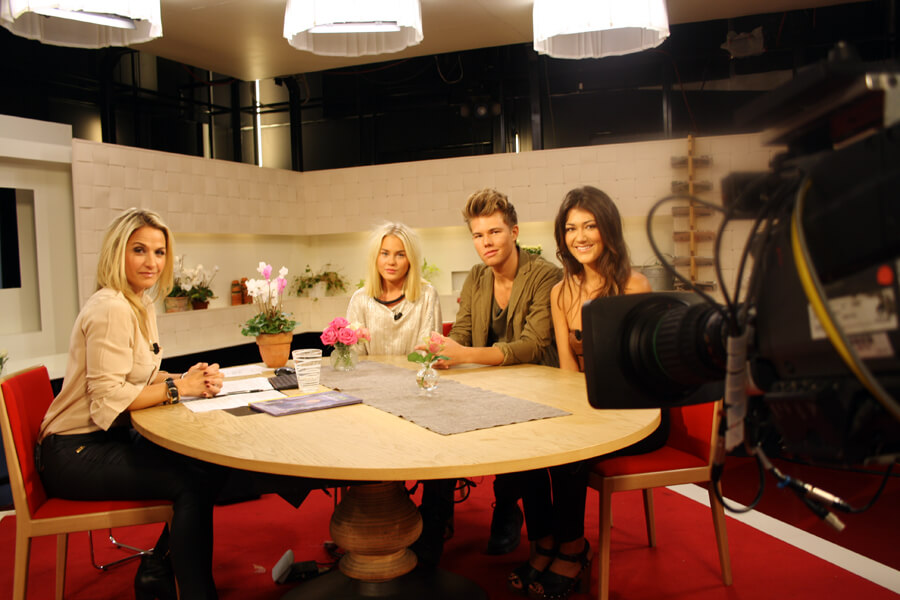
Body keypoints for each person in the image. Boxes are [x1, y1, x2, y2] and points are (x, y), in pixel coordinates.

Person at [37, 208, 229, 600]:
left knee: (206, 466)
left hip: (104, 439)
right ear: (117, 252)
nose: (152, 262)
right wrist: (180, 389)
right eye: (139, 250)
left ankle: (158, 571)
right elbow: (109, 401)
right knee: (191, 483)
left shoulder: (138, 302)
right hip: (73, 451)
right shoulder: (110, 307)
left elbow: (135, 376)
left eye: (159, 252)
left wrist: (184, 378)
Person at [508, 186, 659, 599]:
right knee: (527, 442)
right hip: (589, 405)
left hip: (635, 411)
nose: (580, 236)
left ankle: (573, 548)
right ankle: (545, 541)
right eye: (571, 228)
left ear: (608, 229)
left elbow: (639, 371)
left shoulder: (634, 286)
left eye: (589, 226)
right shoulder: (561, 291)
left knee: (569, 451)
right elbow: (568, 369)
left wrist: (586, 419)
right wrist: (573, 413)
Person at [431, 188, 562, 558]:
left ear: (514, 232)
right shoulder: (476, 277)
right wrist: (443, 350)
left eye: (494, 232)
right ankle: (435, 519)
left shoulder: (545, 275)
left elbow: (533, 345)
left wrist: (465, 354)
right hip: (487, 385)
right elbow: (461, 330)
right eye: (478, 235)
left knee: (518, 431)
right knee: (435, 420)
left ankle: (507, 506)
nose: (486, 242)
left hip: (538, 388)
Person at [346, 221, 442, 355]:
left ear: (410, 260)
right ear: (375, 257)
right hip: (369, 370)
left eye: (400, 255)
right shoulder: (360, 299)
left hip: (415, 369)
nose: (391, 262)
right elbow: (355, 356)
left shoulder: (427, 295)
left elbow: (428, 352)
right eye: (385, 253)